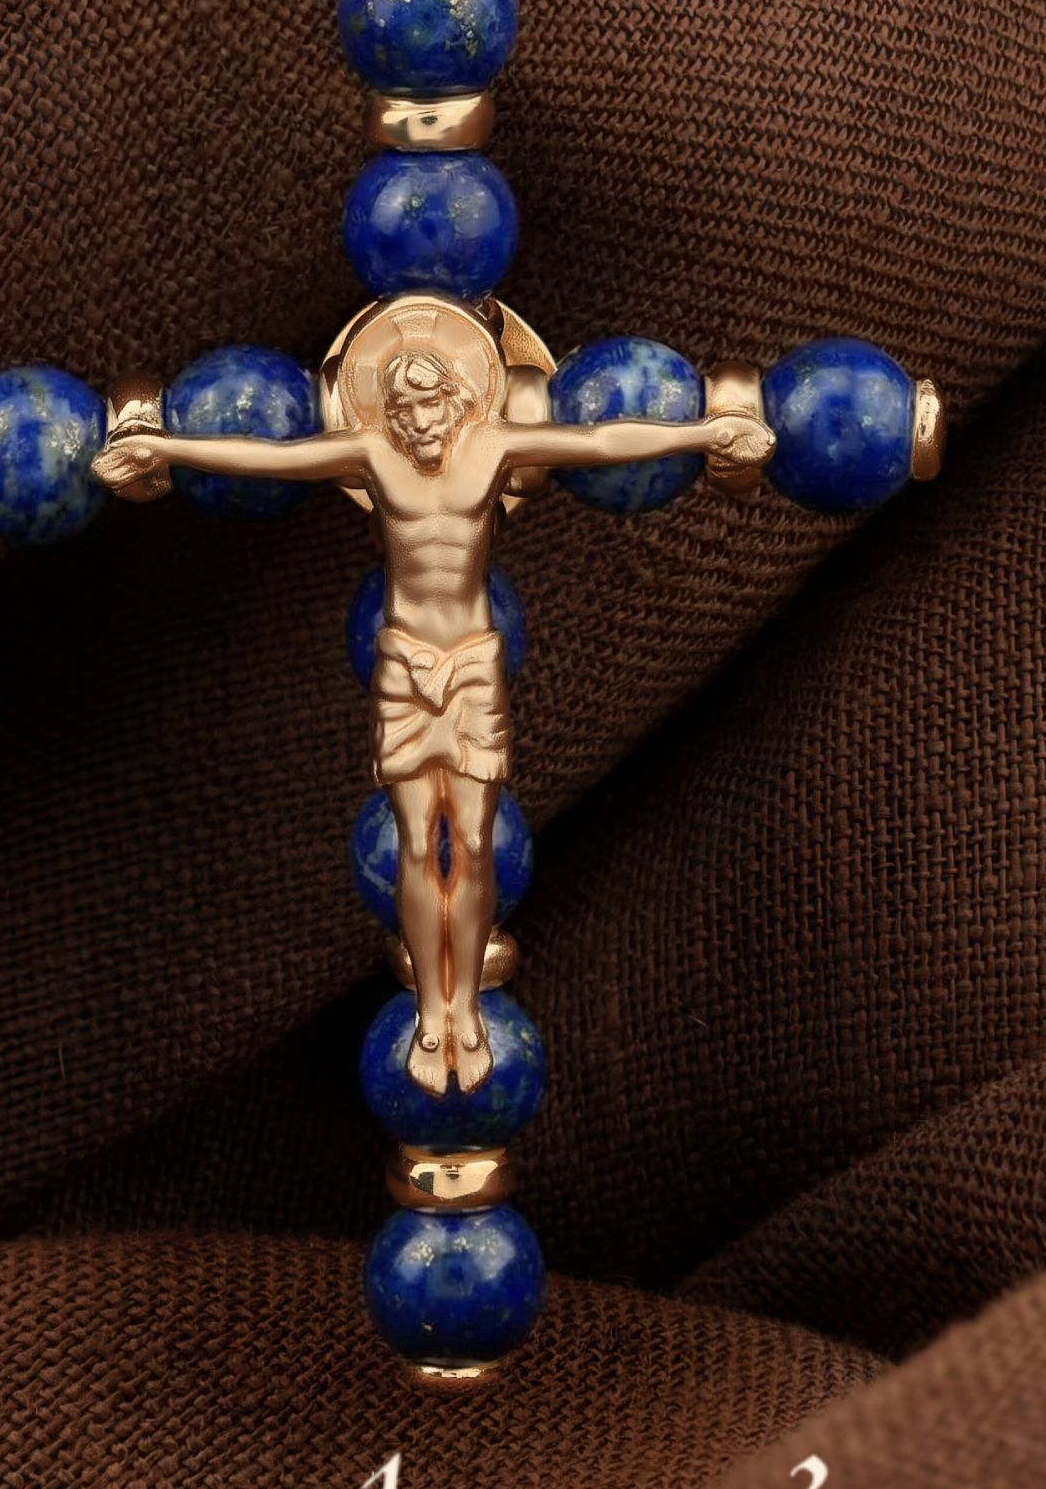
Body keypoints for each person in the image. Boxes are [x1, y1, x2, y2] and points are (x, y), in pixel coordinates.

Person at [95, 307, 770, 1093]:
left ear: (457, 399)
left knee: (473, 842)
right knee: (419, 843)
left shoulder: (492, 447)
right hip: (407, 667)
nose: (418, 422)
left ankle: (466, 1009)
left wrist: (705, 434)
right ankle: (432, 1011)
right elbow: (272, 457)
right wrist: (163, 448)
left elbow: (596, 442)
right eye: (403, 407)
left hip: (472, 667)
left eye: (430, 404)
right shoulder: (374, 455)